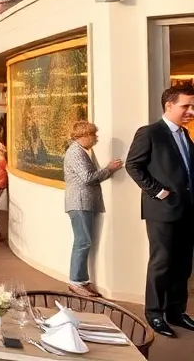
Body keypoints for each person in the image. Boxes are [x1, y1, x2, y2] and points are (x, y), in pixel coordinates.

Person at [125, 84, 194, 338]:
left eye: (192, 106)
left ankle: (176, 312)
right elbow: (132, 165)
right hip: (162, 211)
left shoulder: (185, 135)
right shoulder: (150, 132)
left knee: (183, 264)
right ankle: (154, 314)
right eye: (186, 106)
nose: (191, 111)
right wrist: (158, 191)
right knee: (162, 263)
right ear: (169, 105)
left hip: (188, 210)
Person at [63, 120, 123, 298]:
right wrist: (109, 169)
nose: (95, 138)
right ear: (84, 136)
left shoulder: (84, 151)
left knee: (84, 241)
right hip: (79, 203)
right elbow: (88, 178)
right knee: (82, 242)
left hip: (85, 203)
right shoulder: (75, 152)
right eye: (93, 135)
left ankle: (81, 279)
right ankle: (75, 282)